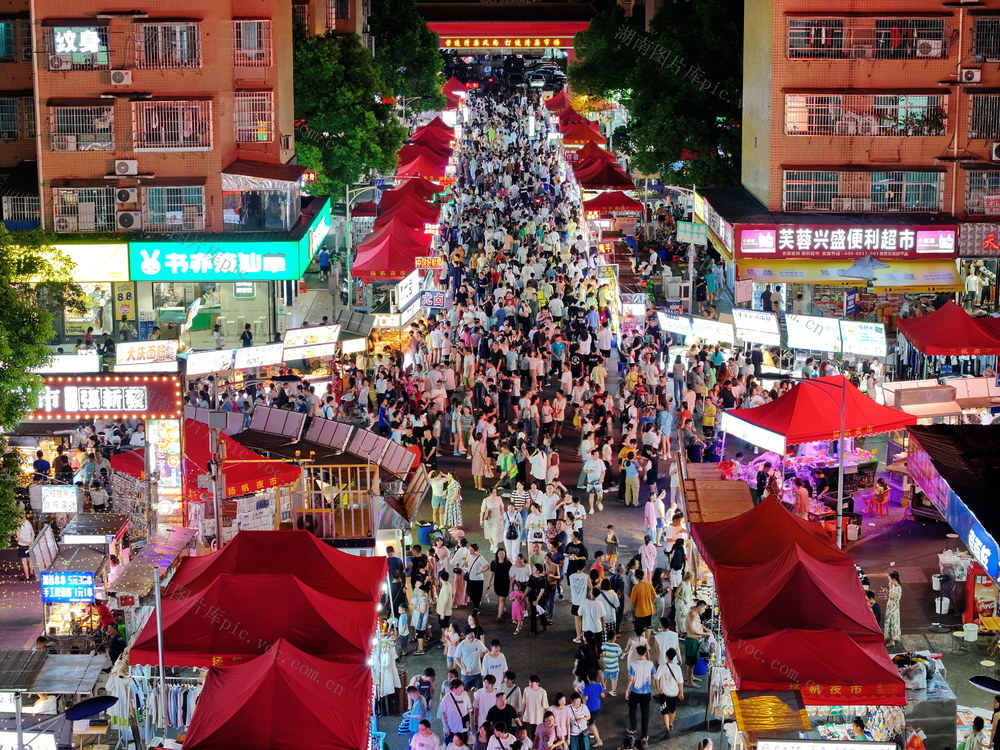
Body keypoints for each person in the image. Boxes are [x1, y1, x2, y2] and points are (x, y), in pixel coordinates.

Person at [624, 645, 654, 743]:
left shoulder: (633, 664)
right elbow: (654, 676)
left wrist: (627, 690)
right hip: (646, 693)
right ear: (645, 653)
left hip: (635, 692)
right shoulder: (650, 664)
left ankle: (633, 728)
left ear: (636, 653)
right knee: (645, 714)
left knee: (632, 709)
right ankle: (644, 735)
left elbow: (630, 679)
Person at [655, 647, 684, 738]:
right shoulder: (677, 668)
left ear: (666, 656)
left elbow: (656, 678)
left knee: (664, 711)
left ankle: (667, 727)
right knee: (672, 710)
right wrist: (681, 692)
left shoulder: (662, 666)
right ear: (675, 657)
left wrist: (658, 688)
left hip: (664, 693)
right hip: (674, 693)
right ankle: (671, 724)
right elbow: (680, 682)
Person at [683, 601, 709, 687]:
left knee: (693, 660)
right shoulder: (692, 614)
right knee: (690, 661)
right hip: (692, 640)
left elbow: (697, 624)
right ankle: (689, 681)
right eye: (704, 609)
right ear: (700, 607)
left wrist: (704, 628)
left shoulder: (695, 612)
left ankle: (691, 677)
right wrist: (705, 634)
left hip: (695, 640)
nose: (704, 611)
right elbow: (692, 629)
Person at [441, 679, 472, 745]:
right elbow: (442, 713)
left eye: (462, 686)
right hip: (451, 728)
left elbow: (469, 711)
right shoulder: (446, 698)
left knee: (464, 745)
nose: (462, 688)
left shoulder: (465, 696)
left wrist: (470, 723)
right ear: (454, 689)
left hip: (463, 727)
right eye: (460, 687)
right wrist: (446, 727)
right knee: (451, 745)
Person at [629, 570, 656, 637]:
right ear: (643, 576)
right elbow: (655, 596)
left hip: (640, 612)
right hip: (649, 610)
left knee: (642, 629)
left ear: (635, 577)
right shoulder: (649, 585)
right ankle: (648, 643)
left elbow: (632, 601)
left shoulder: (635, 588)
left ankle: (643, 644)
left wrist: (629, 610)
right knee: (648, 627)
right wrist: (651, 603)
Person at [884, 571, 902, 647]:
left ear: (894, 579)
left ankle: (892, 641)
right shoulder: (897, 586)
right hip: (893, 607)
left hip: (892, 608)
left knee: (891, 622)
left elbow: (891, 597)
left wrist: (890, 587)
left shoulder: (896, 588)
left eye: (890, 580)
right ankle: (895, 637)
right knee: (894, 622)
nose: (889, 581)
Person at [16, 513, 34, 580]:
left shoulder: (19, 525)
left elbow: (19, 537)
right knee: (30, 560)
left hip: (22, 545)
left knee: (24, 563)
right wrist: (31, 541)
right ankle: (31, 572)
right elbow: (33, 533)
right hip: (29, 545)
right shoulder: (28, 523)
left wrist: (25, 542)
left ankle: (27, 577)